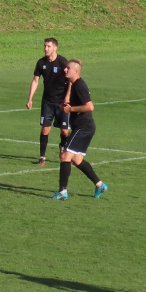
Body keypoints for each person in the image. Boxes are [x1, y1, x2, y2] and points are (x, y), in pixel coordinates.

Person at [54, 59, 108, 200]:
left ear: (75, 71)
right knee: (77, 159)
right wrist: (65, 105)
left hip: (83, 127)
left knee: (65, 156)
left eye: (68, 68)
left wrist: (71, 109)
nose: (65, 70)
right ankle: (99, 184)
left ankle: (62, 192)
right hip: (82, 127)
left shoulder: (80, 85)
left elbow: (89, 107)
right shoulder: (73, 84)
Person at [26, 37, 69, 166]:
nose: (46, 48)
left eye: (48, 46)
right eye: (45, 46)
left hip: (61, 102)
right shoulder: (41, 63)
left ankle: (63, 148)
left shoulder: (62, 62)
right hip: (47, 101)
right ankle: (42, 157)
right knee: (45, 129)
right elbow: (35, 80)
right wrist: (30, 98)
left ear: (55, 48)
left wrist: (68, 98)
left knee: (64, 131)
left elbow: (71, 81)